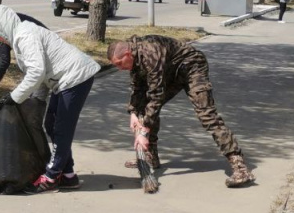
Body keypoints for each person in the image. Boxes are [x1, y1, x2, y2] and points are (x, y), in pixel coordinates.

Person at [0, 4, 100, 193]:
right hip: (64, 80)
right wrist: (37, 102)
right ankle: (68, 176)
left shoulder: (25, 35)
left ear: (2, 26)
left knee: (61, 129)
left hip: (75, 77)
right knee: (51, 125)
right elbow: (40, 76)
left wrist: (15, 97)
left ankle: (52, 177)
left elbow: (36, 72)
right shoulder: (20, 37)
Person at [107, 36, 254, 188]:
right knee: (145, 108)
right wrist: (133, 113)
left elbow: (156, 94)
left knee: (207, 115)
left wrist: (144, 132)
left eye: (119, 64)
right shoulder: (135, 55)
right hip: (172, 71)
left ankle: (240, 167)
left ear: (127, 55)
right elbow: (138, 87)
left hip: (192, 67)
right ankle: (151, 157)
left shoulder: (150, 52)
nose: (120, 68)